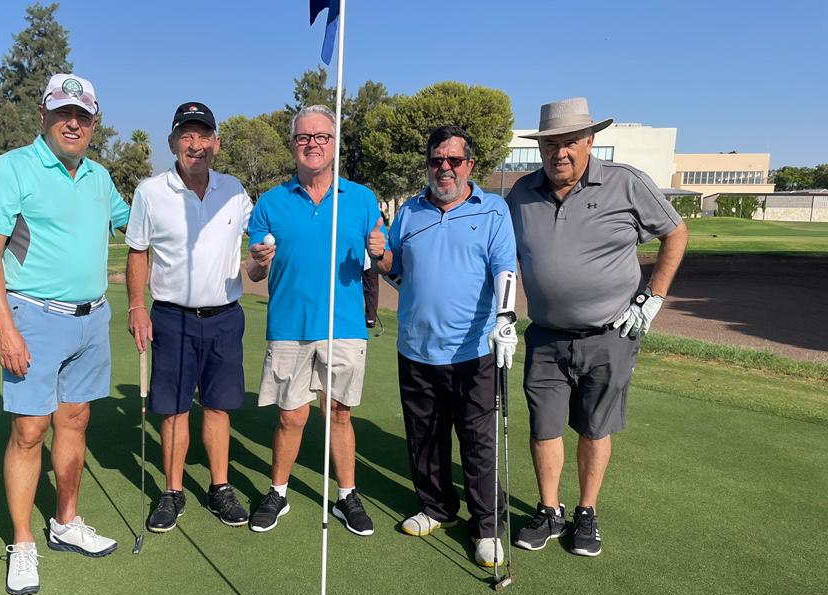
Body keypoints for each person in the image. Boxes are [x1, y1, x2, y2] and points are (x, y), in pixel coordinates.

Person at [506, 97, 688, 557]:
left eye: (570, 142)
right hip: (545, 337)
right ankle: (550, 510)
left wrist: (655, 296)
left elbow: (675, 232)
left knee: (594, 426)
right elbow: (504, 259)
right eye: (550, 144)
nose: (559, 153)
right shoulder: (521, 194)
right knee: (544, 427)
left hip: (611, 334)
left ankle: (586, 512)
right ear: (540, 147)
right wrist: (501, 312)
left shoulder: (625, 183)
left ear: (590, 141)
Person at [0, 73, 130, 595]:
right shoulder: (12, 168)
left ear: (93, 123)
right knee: (29, 431)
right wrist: (6, 329)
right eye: (64, 112)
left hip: (92, 319)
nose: (73, 122)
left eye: (82, 115)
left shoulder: (100, 178)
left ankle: (66, 522)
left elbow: (138, 226)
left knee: (76, 422)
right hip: (34, 318)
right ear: (44, 114)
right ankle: (22, 543)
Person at [245, 105, 385, 536]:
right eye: (304, 138)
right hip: (290, 325)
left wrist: (381, 250)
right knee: (290, 416)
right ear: (293, 145)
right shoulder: (270, 202)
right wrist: (257, 260)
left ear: (334, 143)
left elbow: (385, 258)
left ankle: (346, 496)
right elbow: (254, 272)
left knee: (339, 413)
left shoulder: (361, 199)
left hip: (343, 327)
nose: (313, 144)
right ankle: (278, 491)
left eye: (322, 137)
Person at [386, 125, 518, 568]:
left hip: (474, 351)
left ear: (470, 166)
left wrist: (505, 318)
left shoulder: (493, 210)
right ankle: (437, 507)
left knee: (478, 442)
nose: (444, 168)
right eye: (436, 160)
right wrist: (379, 256)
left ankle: (487, 526)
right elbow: (394, 267)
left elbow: (505, 269)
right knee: (424, 438)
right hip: (416, 348)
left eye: (453, 161)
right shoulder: (409, 212)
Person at [125, 102, 253, 532]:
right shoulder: (150, 191)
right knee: (174, 409)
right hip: (173, 317)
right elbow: (138, 251)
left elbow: (264, 236)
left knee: (219, 407)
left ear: (216, 143)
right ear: (172, 143)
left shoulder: (234, 189)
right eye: (186, 136)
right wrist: (137, 306)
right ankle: (173, 491)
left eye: (203, 136)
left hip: (224, 316)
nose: (195, 144)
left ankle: (220, 488)